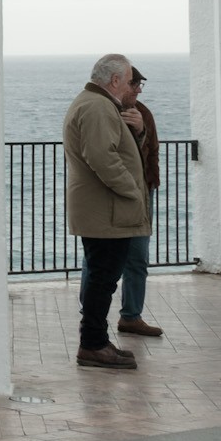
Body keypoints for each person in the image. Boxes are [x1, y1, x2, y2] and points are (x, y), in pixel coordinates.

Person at [63, 53, 150, 370]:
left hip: (105, 210)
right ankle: (93, 345)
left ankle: (97, 341)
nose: (132, 87)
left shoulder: (95, 103)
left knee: (103, 278)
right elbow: (102, 157)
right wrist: (132, 191)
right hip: (107, 211)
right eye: (129, 81)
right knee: (103, 279)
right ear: (114, 80)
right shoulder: (98, 107)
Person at [117, 65, 163, 338]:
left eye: (139, 86)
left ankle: (131, 316)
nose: (137, 90)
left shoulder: (143, 113)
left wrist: (151, 184)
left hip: (142, 193)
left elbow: (153, 150)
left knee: (138, 257)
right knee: (97, 258)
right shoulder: (104, 110)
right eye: (134, 85)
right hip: (112, 195)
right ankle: (89, 316)